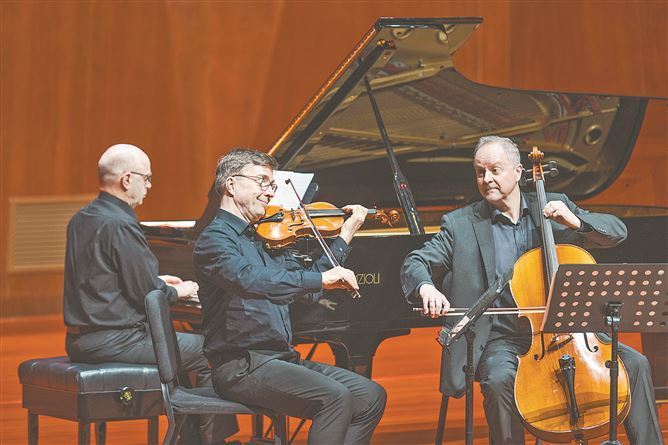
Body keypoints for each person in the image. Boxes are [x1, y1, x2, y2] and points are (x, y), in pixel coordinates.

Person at [400, 136, 663, 445]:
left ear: (518, 172)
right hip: (503, 339)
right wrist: (426, 287)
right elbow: (415, 261)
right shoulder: (461, 224)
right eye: (480, 172)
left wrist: (576, 222)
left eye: (495, 170)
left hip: (569, 332)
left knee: (635, 364)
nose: (487, 179)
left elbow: (618, 232)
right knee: (499, 381)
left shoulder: (554, 206)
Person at [193, 148, 387, 445]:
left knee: (370, 396)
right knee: (335, 398)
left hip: (280, 358)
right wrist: (320, 279)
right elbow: (249, 280)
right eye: (262, 182)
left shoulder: (264, 238)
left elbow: (306, 290)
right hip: (241, 366)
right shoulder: (215, 239)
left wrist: (344, 236)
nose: (270, 192)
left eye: (272, 185)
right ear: (231, 184)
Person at [64, 143, 238, 444]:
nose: (149, 185)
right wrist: (179, 290)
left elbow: (100, 277)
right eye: (146, 178)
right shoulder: (121, 224)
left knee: (185, 348)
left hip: (81, 340)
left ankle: (191, 437)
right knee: (210, 349)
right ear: (127, 179)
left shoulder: (82, 218)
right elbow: (147, 294)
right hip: (116, 340)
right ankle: (210, 441)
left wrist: (156, 279)